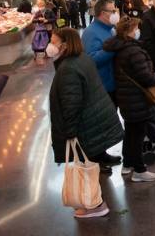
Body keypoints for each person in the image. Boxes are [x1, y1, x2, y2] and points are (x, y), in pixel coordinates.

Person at [47, 28, 124, 218]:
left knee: (84, 169)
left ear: (64, 45)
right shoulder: (81, 59)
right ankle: (93, 201)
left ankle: (95, 204)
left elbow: (71, 105)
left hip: (85, 126)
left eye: (53, 41)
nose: (50, 45)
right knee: (89, 167)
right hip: (94, 121)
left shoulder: (68, 69)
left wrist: (70, 133)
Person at [103, 18, 155, 182]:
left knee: (130, 132)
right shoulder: (133, 51)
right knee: (137, 135)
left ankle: (127, 164)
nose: (139, 31)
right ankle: (139, 170)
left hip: (126, 97)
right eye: (137, 28)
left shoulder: (120, 47)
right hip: (136, 98)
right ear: (130, 31)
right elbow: (144, 76)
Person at [82, 0, 120, 106]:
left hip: (114, 85)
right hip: (102, 88)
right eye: (112, 11)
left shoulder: (111, 29)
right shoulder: (90, 32)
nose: (115, 14)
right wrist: (113, 49)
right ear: (103, 13)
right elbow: (91, 59)